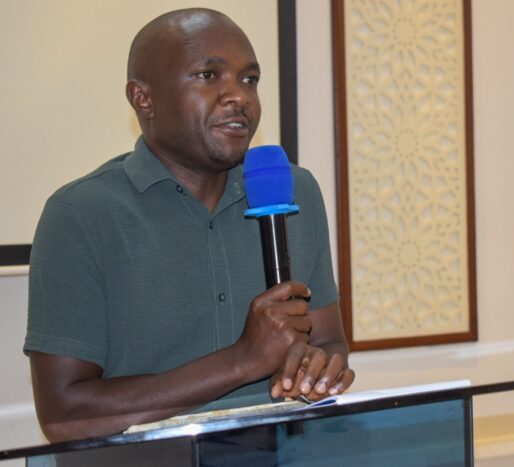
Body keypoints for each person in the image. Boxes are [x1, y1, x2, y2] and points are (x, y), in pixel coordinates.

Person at [24, 7, 354, 442]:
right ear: (143, 98)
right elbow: (64, 416)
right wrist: (242, 360)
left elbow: (329, 342)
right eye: (208, 75)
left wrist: (320, 368)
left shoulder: (295, 191)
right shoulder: (80, 215)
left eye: (250, 79)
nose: (239, 96)